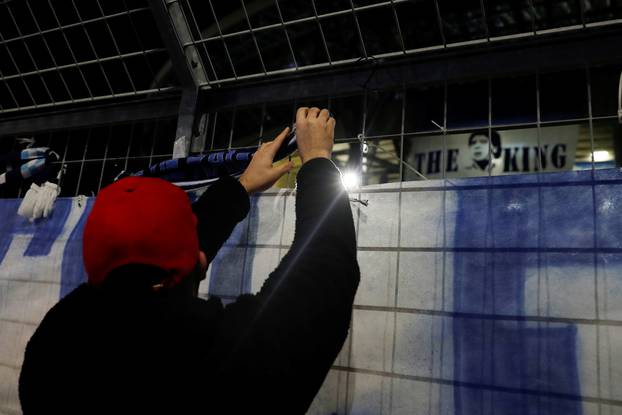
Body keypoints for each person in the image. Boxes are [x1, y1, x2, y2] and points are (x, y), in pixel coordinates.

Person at [18, 107, 360, 414]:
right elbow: (326, 270)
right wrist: (317, 160)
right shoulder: (219, 364)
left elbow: (157, 251)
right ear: (197, 260)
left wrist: (241, 186)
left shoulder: (50, 352)